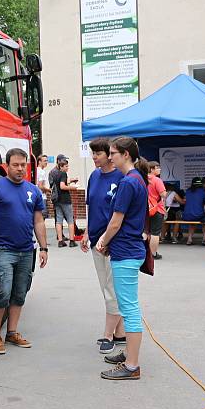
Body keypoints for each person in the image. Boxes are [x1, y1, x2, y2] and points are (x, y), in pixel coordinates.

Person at [0, 148, 48, 356]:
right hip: (3, 250)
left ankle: (12, 332)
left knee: (20, 293)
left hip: (27, 250)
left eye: (23, 165)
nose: (20, 169)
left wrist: (43, 247)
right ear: (7, 166)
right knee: (2, 293)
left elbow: (38, 220)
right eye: (15, 165)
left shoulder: (33, 190)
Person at [95, 136, 148, 381]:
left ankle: (132, 365)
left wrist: (102, 241)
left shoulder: (128, 182)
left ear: (125, 154)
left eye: (114, 152)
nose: (110, 156)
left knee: (129, 309)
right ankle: (128, 354)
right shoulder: (137, 179)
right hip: (129, 249)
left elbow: (116, 221)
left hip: (126, 252)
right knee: (128, 306)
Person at [81, 138, 126, 354]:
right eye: (92, 153)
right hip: (96, 240)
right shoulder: (94, 176)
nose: (93, 157)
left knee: (112, 289)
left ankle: (109, 335)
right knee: (106, 288)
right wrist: (87, 233)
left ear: (109, 154)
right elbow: (92, 207)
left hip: (113, 242)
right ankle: (120, 333)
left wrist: (106, 239)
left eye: (97, 154)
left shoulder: (122, 177)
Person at [50, 156, 78, 247]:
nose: (67, 168)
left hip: (57, 199)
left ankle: (60, 241)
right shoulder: (63, 174)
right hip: (65, 199)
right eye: (65, 166)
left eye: (67, 166)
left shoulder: (54, 173)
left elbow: (57, 185)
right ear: (61, 167)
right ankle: (72, 240)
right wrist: (72, 188)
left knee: (59, 220)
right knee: (70, 220)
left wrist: (69, 182)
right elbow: (62, 186)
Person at [147, 161, 167, 260]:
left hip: (146, 209)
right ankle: (153, 254)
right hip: (157, 209)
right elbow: (163, 194)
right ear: (151, 169)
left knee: (146, 231)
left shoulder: (142, 179)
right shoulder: (157, 180)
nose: (159, 169)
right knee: (155, 233)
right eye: (157, 167)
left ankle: (144, 252)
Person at [182, 177, 205, 245]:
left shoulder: (188, 191)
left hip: (186, 215)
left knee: (192, 222)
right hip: (198, 215)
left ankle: (189, 239)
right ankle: (204, 239)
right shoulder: (203, 191)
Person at [36, 154, 51, 218]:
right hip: (42, 196)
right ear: (39, 162)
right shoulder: (42, 172)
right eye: (44, 161)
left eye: (47, 161)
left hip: (36, 195)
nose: (46, 162)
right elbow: (40, 186)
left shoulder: (36, 170)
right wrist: (49, 190)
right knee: (43, 216)